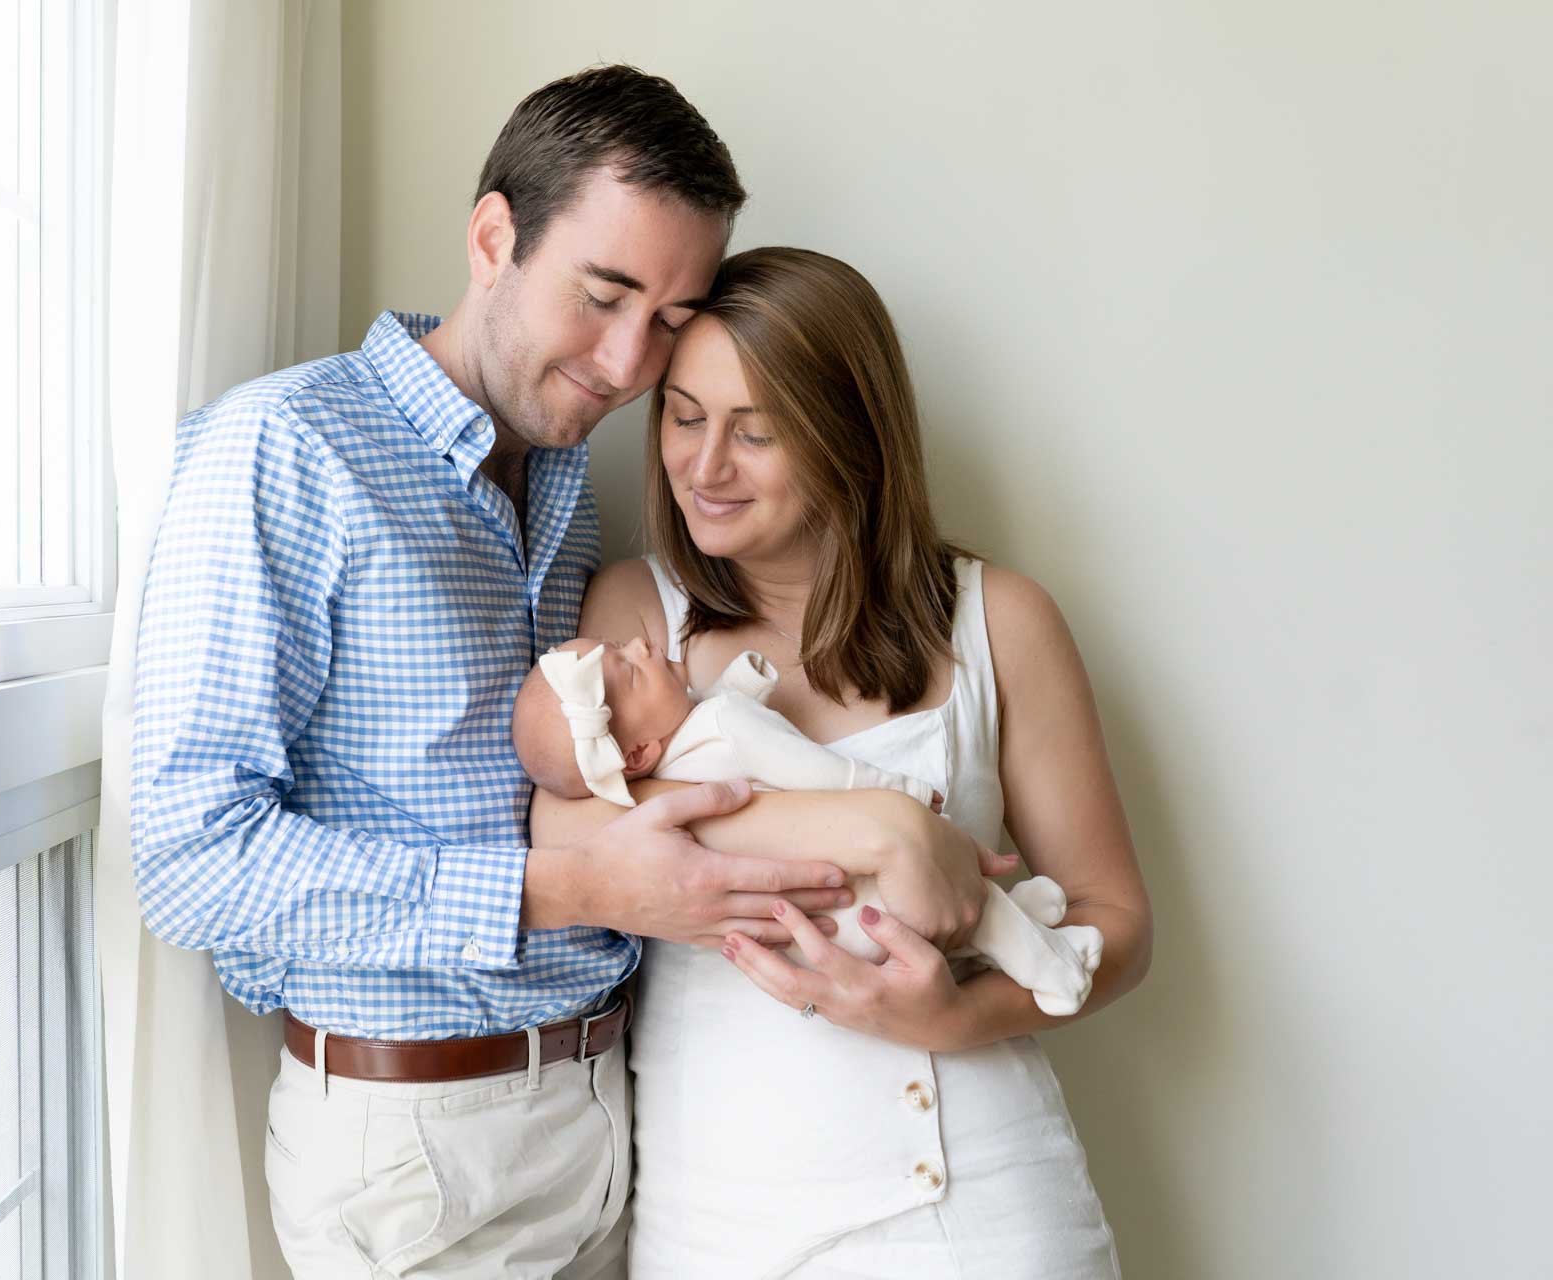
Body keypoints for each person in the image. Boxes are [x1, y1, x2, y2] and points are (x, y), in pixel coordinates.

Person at [128, 68, 1000, 1277]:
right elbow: (189, 863)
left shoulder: (564, 488)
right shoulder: (281, 449)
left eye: (669, 318)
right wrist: (574, 885)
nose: (629, 362)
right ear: (494, 237)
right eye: (603, 296)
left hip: (613, 1120)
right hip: (417, 1144)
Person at [532, 246, 1155, 1275]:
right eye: (684, 416)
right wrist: (882, 827)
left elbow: (1115, 922)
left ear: (850, 438)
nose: (704, 464)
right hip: (719, 1219)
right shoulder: (639, 622)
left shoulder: (999, 620)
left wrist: (958, 1014)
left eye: (757, 430)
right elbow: (568, 830)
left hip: (981, 1203)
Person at [512, 637, 1104, 1014]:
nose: (642, 644)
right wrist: (906, 797)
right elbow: (820, 772)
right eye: (630, 668)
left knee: (946, 932)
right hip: (855, 887)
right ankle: (1049, 967)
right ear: (637, 753)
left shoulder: (655, 776)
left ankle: (1026, 924)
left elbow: (706, 733)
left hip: (810, 929)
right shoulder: (723, 721)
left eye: (623, 646)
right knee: (964, 895)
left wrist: (741, 684)